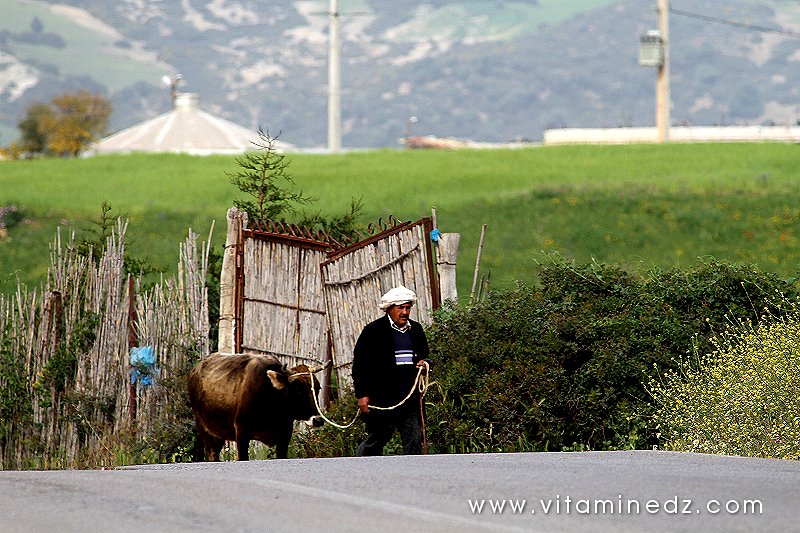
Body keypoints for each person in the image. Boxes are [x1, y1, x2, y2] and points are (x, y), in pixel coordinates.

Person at [352, 286, 431, 456]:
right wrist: (362, 395)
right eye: (400, 308)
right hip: (381, 399)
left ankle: (416, 476)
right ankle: (360, 466)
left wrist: (425, 363)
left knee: (414, 438)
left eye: (407, 308)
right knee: (378, 438)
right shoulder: (372, 331)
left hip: (409, 399)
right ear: (389, 309)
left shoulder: (416, 330)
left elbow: (425, 355)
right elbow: (360, 365)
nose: (404, 312)